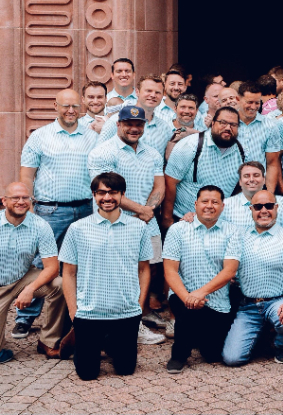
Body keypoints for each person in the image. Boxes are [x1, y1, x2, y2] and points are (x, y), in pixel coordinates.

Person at [14, 88, 96, 340]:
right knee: (43, 263)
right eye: (65, 106)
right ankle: (25, 317)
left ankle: (77, 315)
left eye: (75, 106)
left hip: (85, 209)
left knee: (81, 263)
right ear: (55, 106)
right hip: (50, 211)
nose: (70, 111)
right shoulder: (40, 136)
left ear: (81, 107)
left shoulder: (92, 136)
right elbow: (27, 175)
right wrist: (28, 207)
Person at [86, 103, 168, 344]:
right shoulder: (103, 152)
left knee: (149, 268)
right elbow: (107, 191)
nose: (134, 128)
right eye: (129, 124)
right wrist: (141, 210)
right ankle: (128, 324)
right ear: (119, 124)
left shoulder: (152, 153)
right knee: (121, 272)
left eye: (138, 124)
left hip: (146, 220)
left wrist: (148, 210)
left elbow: (159, 186)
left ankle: (141, 314)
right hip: (114, 222)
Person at [60, 172, 153, 380]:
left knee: (125, 369)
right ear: (94, 195)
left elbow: (144, 269)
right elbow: (69, 272)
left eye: (113, 192)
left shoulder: (138, 228)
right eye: (101, 192)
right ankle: (88, 345)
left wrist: (139, 306)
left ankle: (109, 344)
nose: (107, 197)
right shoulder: (77, 229)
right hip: (89, 313)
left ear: (122, 195)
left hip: (126, 312)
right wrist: (74, 311)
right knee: (87, 374)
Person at [221, 189, 283, 367]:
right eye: (258, 207)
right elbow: (228, 265)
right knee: (232, 359)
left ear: (276, 208)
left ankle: (281, 343)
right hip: (248, 305)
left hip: (279, 301)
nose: (264, 210)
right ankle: (261, 337)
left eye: (269, 206)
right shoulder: (238, 237)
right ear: (251, 209)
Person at [162, 185, 237, 373]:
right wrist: (188, 297)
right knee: (188, 313)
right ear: (195, 204)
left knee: (212, 354)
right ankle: (179, 355)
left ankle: (197, 337)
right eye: (205, 201)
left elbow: (229, 271)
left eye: (215, 202)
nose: (209, 206)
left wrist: (200, 293)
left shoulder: (232, 231)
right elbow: (170, 271)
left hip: (217, 300)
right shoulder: (178, 230)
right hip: (183, 295)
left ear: (222, 206)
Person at [0, 181, 68, 362]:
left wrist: (30, 289)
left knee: (60, 285)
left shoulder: (40, 225)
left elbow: (52, 267)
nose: (21, 201)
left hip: (23, 276)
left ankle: (48, 341)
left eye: (25, 198)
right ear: (4, 201)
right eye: (15, 198)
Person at [164, 107, 245, 227]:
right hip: (185, 220)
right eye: (223, 123)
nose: (228, 128)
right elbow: (170, 182)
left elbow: (239, 187)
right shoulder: (190, 145)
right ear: (213, 123)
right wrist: (167, 219)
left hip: (219, 223)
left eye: (233, 124)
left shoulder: (240, 151)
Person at [218, 161, 283, 242]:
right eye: (246, 176)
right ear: (240, 181)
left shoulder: (281, 202)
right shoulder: (226, 206)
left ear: (263, 180)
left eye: (256, 175)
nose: (251, 179)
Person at [234, 82, 283, 191]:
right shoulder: (228, 123)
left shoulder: (270, 126)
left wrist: (269, 194)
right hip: (231, 186)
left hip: (258, 186)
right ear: (238, 99)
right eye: (249, 102)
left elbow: (272, 164)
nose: (253, 107)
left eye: (257, 103)